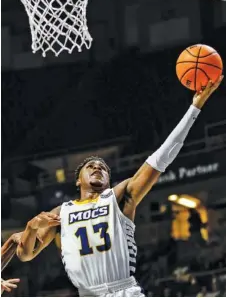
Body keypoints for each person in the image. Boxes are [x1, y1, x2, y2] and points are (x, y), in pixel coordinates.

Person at [17, 77, 223, 297]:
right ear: (78, 180)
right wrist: (30, 228)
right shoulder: (61, 213)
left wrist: (195, 108)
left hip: (123, 291)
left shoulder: (118, 197)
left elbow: (160, 159)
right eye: (91, 166)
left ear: (108, 179)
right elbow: (26, 255)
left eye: (103, 167)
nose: (98, 168)